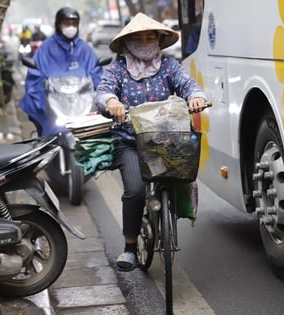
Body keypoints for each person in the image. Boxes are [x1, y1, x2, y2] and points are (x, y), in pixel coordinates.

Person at [94, 12, 207, 272]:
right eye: (138, 38)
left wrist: (195, 97)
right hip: (130, 142)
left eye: (149, 37)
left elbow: (186, 84)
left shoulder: (168, 66)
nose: (144, 42)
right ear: (128, 42)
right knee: (135, 190)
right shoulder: (119, 68)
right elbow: (103, 91)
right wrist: (112, 102)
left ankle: (170, 214)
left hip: (165, 140)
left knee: (182, 175)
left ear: (157, 40)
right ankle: (130, 248)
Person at [19, 7, 103, 136]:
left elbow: (97, 74)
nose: (71, 27)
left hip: (81, 105)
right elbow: (35, 76)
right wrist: (43, 102)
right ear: (58, 24)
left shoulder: (85, 49)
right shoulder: (46, 48)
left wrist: (98, 95)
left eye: (74, 24)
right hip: (53, 106)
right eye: (67, 23)